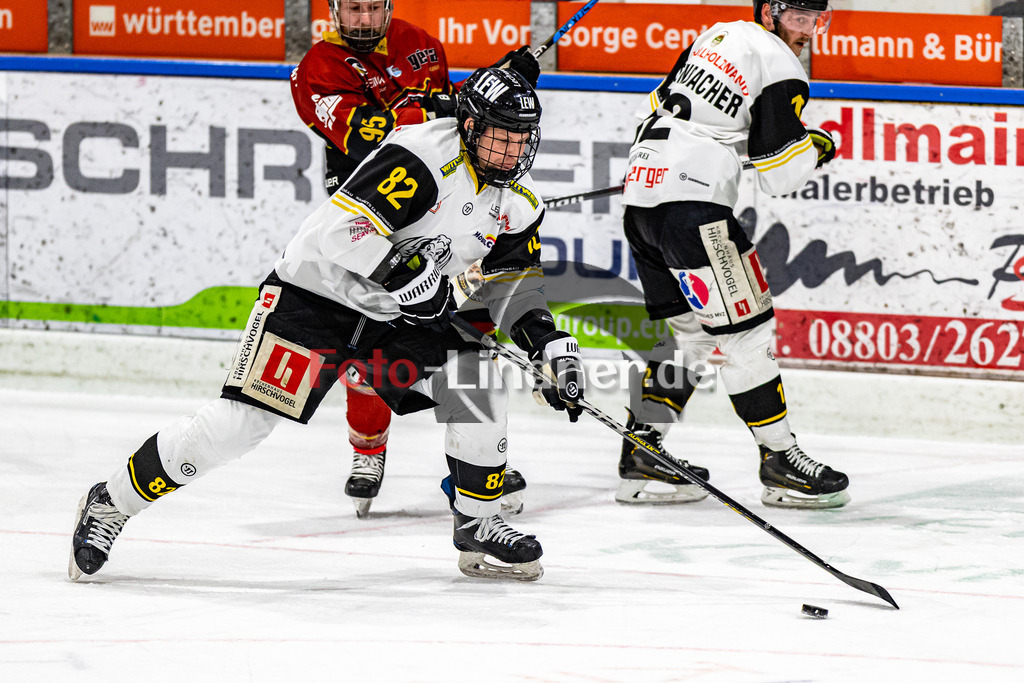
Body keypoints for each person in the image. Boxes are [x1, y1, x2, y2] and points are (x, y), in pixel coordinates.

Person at [70, 67, 583, 583]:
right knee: (237, 427)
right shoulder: (422, 155)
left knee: (476, 381)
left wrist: (550, 345)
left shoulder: (518, 200)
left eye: (521, 141)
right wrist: (413, 280)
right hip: (314, 301)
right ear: (469, 127)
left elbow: (513, 283)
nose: (511, 153)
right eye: (500, 138)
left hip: (388, 320)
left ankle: (478, 520)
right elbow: (344, 233)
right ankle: (110, 501)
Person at [291, 0, 540, 517]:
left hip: (435, 208)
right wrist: (476, 96)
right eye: (352, 9)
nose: (363, 20)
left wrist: (496, 88)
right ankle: (367, 451)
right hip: (370, 210)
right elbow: (370, 133)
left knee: (456, 332)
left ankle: (468, 471)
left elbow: (453, 125)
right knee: (370, 337)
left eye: (371, 7)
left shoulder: (420, 43)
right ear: (334, 10)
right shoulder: (317, 67)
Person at [615, 0, 849, 509]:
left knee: (692, 336)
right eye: (797, 18)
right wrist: (816, 146)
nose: (806, 30)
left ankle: (641, 455)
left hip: (642, 203)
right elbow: (780, 173)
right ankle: (780, 460)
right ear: (769, 12)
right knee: (748, 334)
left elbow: (657, 109)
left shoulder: (715, 35)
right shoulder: (781, 62)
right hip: (693, 215)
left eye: (814, 20)